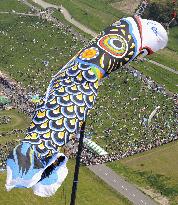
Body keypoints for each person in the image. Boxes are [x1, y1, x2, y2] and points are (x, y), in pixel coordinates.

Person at [6, 15, 168, 197]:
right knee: (79, 78)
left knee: (77, 77)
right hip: (97, 63)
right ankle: (35, 160)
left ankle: (35, 159)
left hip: (104, 55)